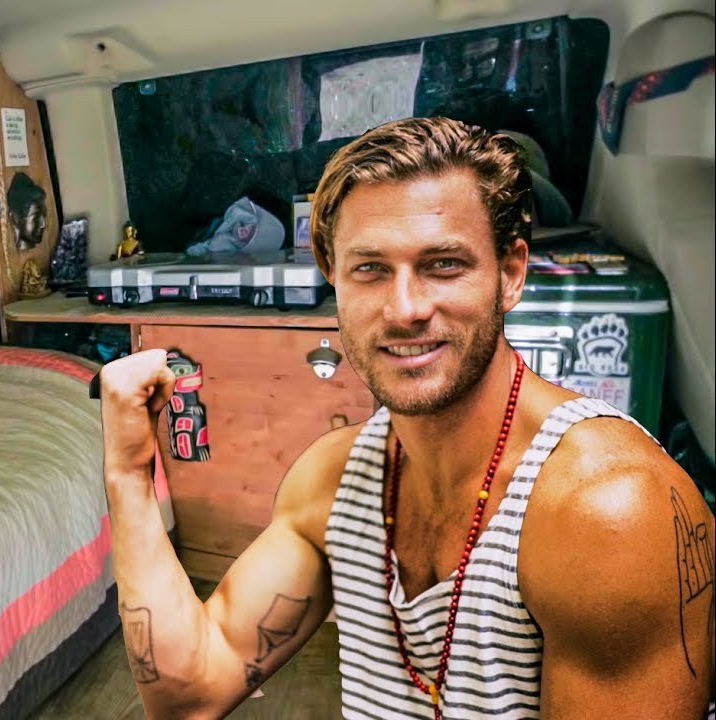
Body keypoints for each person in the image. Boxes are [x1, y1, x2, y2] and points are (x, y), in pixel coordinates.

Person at [95, 116, 715, 720]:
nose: (404, 309)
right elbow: (189, 696)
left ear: (510, 274)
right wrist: (128, 473)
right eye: (370, 269)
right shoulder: (332, 482)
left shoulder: (607, 511)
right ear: (333, 280)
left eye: (444, 264)